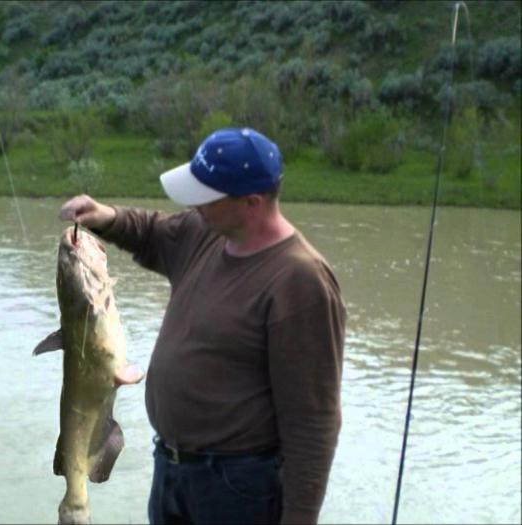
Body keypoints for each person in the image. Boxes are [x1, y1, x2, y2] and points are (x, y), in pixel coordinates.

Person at [59, 127, 346, 525]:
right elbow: (152, 232)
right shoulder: (206, 232)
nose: (194, 206)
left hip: (237, 487)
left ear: (252, 202)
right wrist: (105, 217)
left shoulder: (300, 282)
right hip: (173, 471)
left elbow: (313, 423)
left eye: (205, 197)